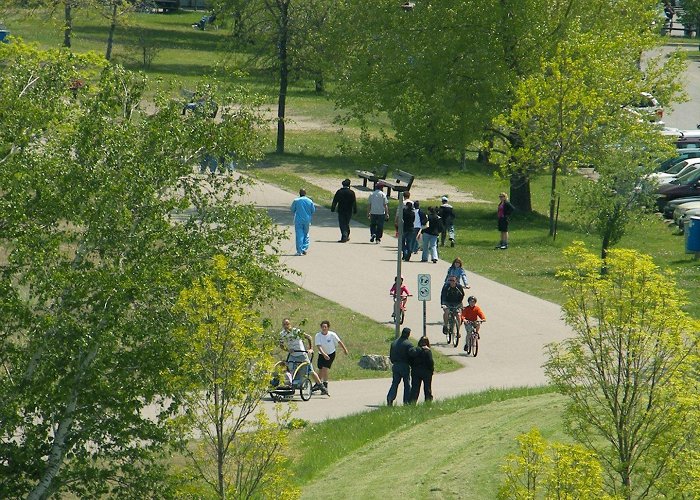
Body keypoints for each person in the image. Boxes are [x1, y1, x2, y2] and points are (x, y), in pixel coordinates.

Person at [279, 318, 327, 395]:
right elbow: (281, 345)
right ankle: (290, 387)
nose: (286, 326)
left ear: (290, 324)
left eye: (287, 324)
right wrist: (288, 350)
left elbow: (309, 337)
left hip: (301, 354)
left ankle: (321, 387)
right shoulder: (282, 334)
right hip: (292, 355)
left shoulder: (296, 331)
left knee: (310, 370)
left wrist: (310, 349)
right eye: (284, 324)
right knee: (291, 370)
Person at [314, 320, 348, 394]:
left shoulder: (332, 334)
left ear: (328, 328)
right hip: (322, 354)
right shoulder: (318, 335)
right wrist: (324, 354)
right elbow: (319, 346)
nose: (324, 328)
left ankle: (325, 386)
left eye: (325, 327)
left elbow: (339, 342)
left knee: (324, 369)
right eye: (323, 327)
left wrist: (345, 349)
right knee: (320, 369)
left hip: (331, 354)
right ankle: (318, 384)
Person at [387, 327, 414, 406]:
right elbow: (411, 355)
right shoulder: (408, 344)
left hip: (395, 365)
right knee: (407, 384)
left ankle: (390, 398)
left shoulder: (394, 343)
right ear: (408, 334)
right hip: (405, 365)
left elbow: (391, 356)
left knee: (395, 383)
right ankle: (406, 401)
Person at [331, 178, 357, 243]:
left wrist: (333, 208)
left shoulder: (339, 192)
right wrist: (355, 209)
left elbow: (335, 201)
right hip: (349, 210)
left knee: (342, 224)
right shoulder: (351, 192)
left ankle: (344, 236)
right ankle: (346, 235)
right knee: (346, 223)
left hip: (341, 210)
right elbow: (354, 202)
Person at [290, 188, 315, 256]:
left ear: (299, 193)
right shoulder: (310, 201)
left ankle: (299, 251)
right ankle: (304, 248)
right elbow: (313, 210)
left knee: (299, 234)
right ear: (305, 193)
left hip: (298, 220)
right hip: (307, 219)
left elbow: (292, 209)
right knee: (306, 233)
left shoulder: (296, 200)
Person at [409, 337, 434, 403]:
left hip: (416, 371)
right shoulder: (427, 351)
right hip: (426, 372)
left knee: (415, 388)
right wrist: (431, 370)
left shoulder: (415, 350)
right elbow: (430, 362)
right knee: (427, 388)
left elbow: (411, 360)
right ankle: (428, 402)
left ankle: (412, 402)